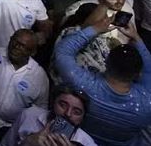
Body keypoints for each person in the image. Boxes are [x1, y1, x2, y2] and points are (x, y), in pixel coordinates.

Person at [54, 11, 151, 146]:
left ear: (106, 63)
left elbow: (62, 52)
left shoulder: (84, 85)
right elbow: (149, 71)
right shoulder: (147, 104)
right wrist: (137, 38)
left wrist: (95, 29)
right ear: (137, 75)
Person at [0, 84, 97, 146]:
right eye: (62, 105)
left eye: (76, 112)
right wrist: (27, 142)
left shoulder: (87, 143)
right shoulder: (29, 115)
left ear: (82, 118)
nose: (67, 113)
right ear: (53, 103)